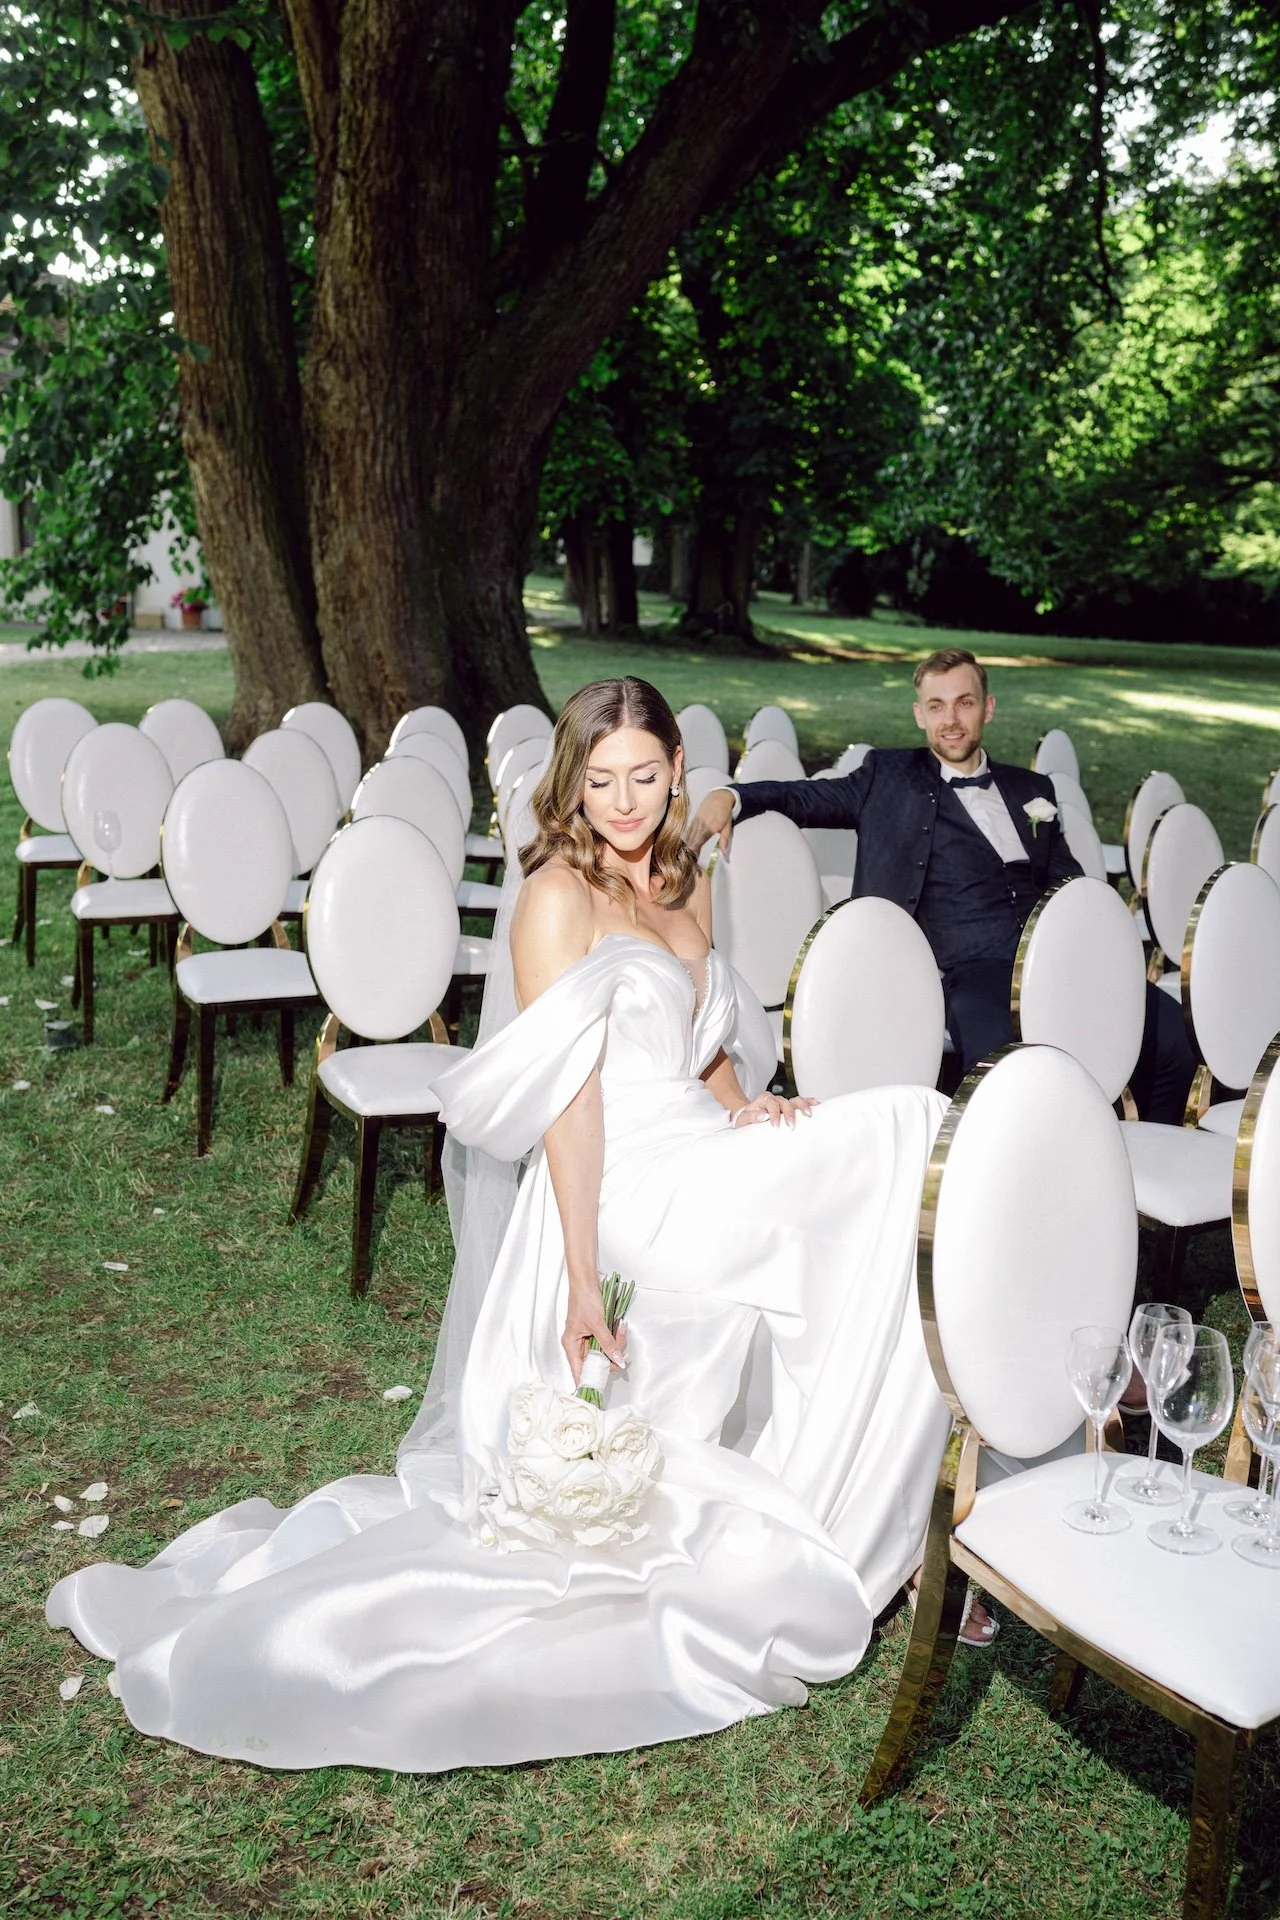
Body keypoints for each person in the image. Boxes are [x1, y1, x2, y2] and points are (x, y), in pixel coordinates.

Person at [47, 677, 966, 1775]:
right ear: (571, 783)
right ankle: (873, 1505)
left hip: (699, 1139)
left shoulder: (682, 874)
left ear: (676, 769)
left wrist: (741, 1105)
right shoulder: (553, 899)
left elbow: (703, 1027)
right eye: (600, 779)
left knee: (896, 1152)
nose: (623, 802)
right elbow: (570, 1103)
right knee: (905, 1132)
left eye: (643, 776)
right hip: (618, 1179)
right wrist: (583, 1276)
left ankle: (871, 1479)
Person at [688, 648, 1195, 1120]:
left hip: (1052, 956)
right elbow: (803, 798)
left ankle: (1127, 1159)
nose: (951, 719)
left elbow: (1067, 880)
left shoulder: (1031, 789)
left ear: (987, 708)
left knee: (1170, 1036)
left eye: (964, 703)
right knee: (1005, 1071)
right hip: (962, 971)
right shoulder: (887, 776)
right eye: (937, 706)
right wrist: (730, 795)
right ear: (920, 714)